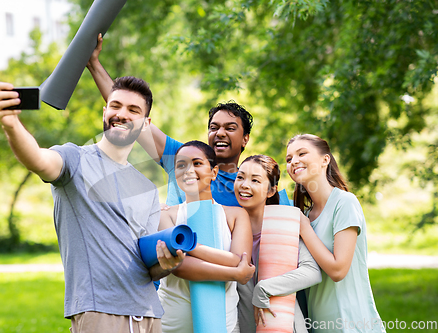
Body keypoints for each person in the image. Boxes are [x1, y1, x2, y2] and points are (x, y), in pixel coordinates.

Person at [0, 77, 185, 333]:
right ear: (105, 111)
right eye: (115, 106)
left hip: (149, 315)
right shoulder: (74, 160)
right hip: (99, 313)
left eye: (133, 110)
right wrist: (12, 125)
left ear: (145, 124)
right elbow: (37, 159)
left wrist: (167, 264)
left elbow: (146, 265)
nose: (121, 114)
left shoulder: (148, 189)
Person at [86, 34, 288, 207]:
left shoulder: (250, 186)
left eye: (230, 128)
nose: (220, 133)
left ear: (245, 139)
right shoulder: (183, 159)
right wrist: (94, 64)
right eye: (214, 127)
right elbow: (129, 116)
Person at [285, 134, 385, 333]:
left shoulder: (344, 203)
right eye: (288, 159)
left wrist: (304, 229)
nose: (294, 161)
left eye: (302, 153)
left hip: (352, 324)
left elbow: (338, 270)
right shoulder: (304, 216)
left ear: (325, 159)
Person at [156, 140, 255, 333]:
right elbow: (179, 267)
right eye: (181, 165)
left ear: (214, 172)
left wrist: (189, 245)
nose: (188, 170)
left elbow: (239, 260)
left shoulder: (235, 215)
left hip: (222, 322)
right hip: (173, 324)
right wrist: (234, 274)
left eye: (197, 163)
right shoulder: (166, 215)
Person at [233, 155, 322, 333]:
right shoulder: (228, 224)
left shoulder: (284, 224)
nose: (244, 185)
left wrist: (264, 289)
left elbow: (313, 272)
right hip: (244, 325)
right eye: (240, 177)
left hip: (284, 323)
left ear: (271, 191)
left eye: (255, 180)